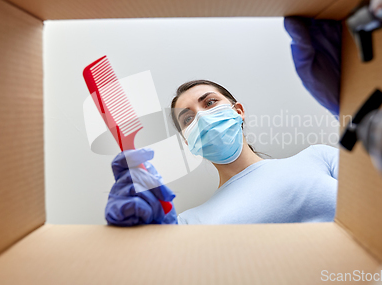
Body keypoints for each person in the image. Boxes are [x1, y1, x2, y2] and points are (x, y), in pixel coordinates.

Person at [105, 80, 339, 226]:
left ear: (238, 111)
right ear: (188, 142)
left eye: (209, 103)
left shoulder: (318, 157)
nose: (202, 118)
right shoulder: (189, 222)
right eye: (188, 118)